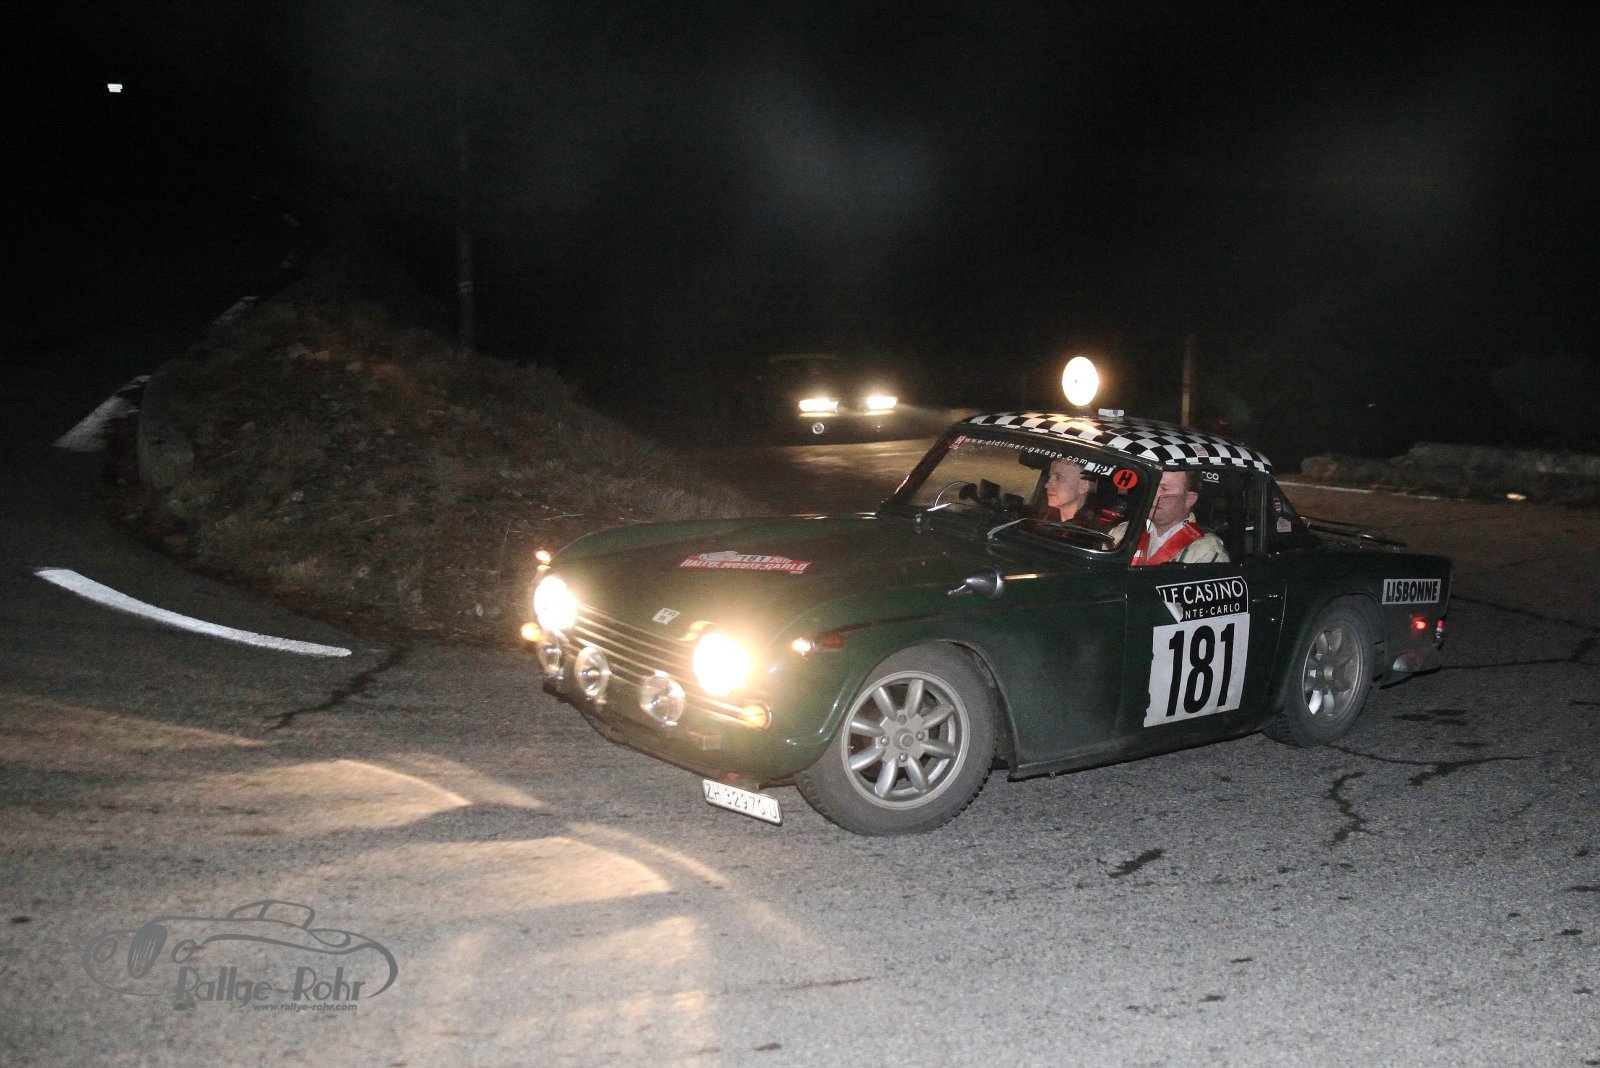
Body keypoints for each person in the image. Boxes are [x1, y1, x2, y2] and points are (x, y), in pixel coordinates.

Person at [1111, 469, 1229, 565]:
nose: (1153, 494)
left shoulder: (1206, 549)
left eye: (1164, 489)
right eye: (1152, 486)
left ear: (1189, 499)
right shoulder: (1124, 532)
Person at [1043, 457, 1096, 524]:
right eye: (1050, 477)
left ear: (1083, 486)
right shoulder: (1039, 519)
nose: (1047, 485)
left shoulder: (1096, 528)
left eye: (1058, 478)